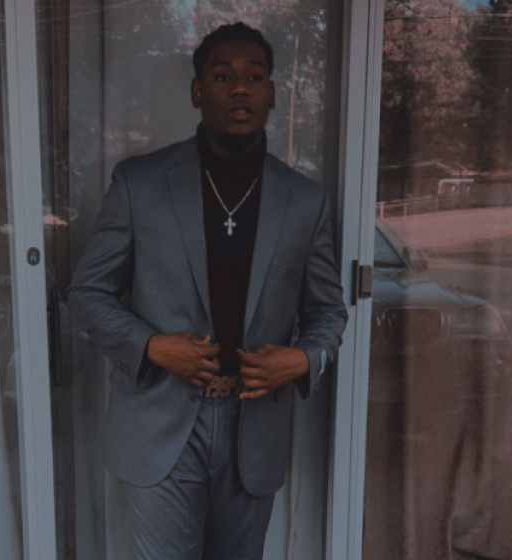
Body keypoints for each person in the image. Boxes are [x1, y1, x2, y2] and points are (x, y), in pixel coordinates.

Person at [68, 21, 347, 560]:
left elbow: (328, 310)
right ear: (198, 93)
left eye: (254, 76)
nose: (240, 88)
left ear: (271, 94)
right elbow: (86, 293)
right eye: (223, 76)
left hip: (254, 431)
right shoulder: (140, 183)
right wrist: (152, 346)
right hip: (160, 425)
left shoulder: (304, 200)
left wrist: (303, 359)